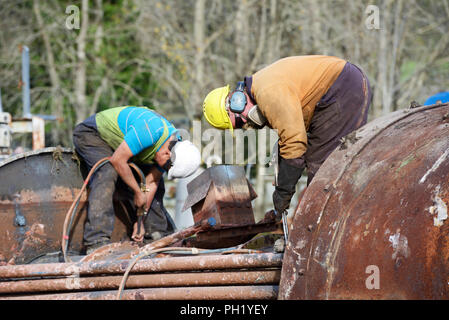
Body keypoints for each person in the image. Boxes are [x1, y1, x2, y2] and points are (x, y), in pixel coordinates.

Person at [202, 55, 372, 216]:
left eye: (239, 122)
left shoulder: (268, 92)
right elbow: (288, 135)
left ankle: (325, 230)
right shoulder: (261, 90)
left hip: (342, 88)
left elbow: (295, 144)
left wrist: (282, 194)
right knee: (320, 165)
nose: (246, 125)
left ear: (236, 103)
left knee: (323, 170)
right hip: (338, 88)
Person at [73, 106, 200, 254]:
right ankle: (96, 240)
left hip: (124, 147)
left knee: (157, 187)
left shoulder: (170, 150)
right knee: (107, 171)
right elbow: (118, 160)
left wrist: (140, 219)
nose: (163, 169)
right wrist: (137, 191)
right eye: (166, 167)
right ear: (167, 153)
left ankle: (155, 235)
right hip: (93, 134)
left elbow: (150, 183)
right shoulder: (151, 131)